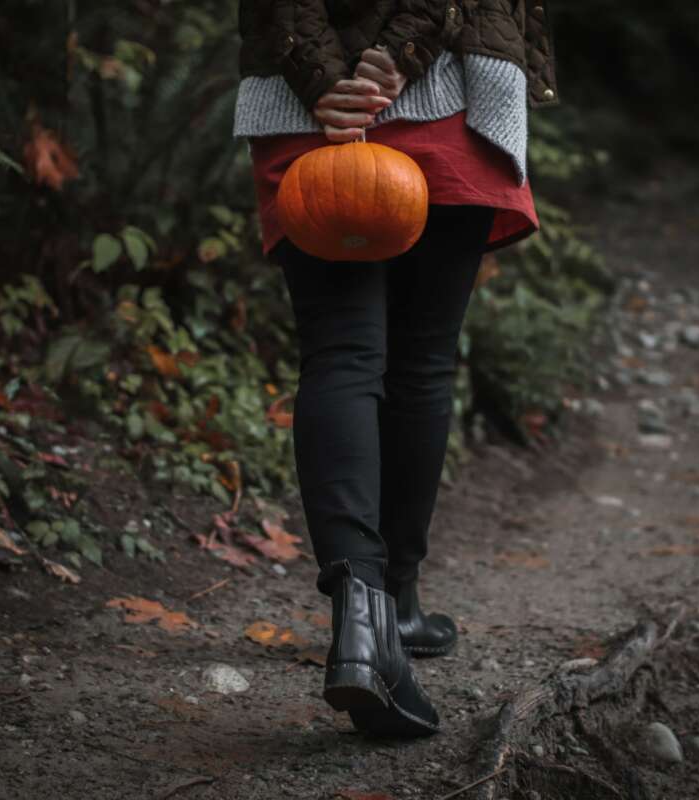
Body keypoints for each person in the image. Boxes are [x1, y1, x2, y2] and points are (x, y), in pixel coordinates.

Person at [233, 0, 558, 737]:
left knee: (342, 354)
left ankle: (361, 618)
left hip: (308, 108)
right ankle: (399, 607)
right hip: (449, 92)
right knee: (420, 364)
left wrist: (324, 77)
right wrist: (398, 59)